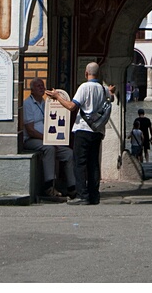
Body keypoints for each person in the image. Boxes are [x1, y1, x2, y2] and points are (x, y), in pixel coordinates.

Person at [46, 62, 116, 205]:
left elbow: (72, 106)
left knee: (79, 163)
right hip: (97, 131)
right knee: (93, 163)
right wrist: (111, 91)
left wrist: (57, 96)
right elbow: (112, 98)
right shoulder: (104, 90)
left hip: (83, 129)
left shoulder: (84, 87)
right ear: (99, 74)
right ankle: (94, 195)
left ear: (86, 73)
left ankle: (82, 195)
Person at [22, 77, 77, 200]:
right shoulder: (28, 104)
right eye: (38, 86)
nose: (41, 88)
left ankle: (72, 187)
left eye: (42, 86)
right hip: (32, 140)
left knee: (68, 153)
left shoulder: (46, 102)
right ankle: (49, 186)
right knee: (49, 148)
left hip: (49, 139)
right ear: (32, 90)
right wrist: (48, 139)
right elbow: (30, 130)